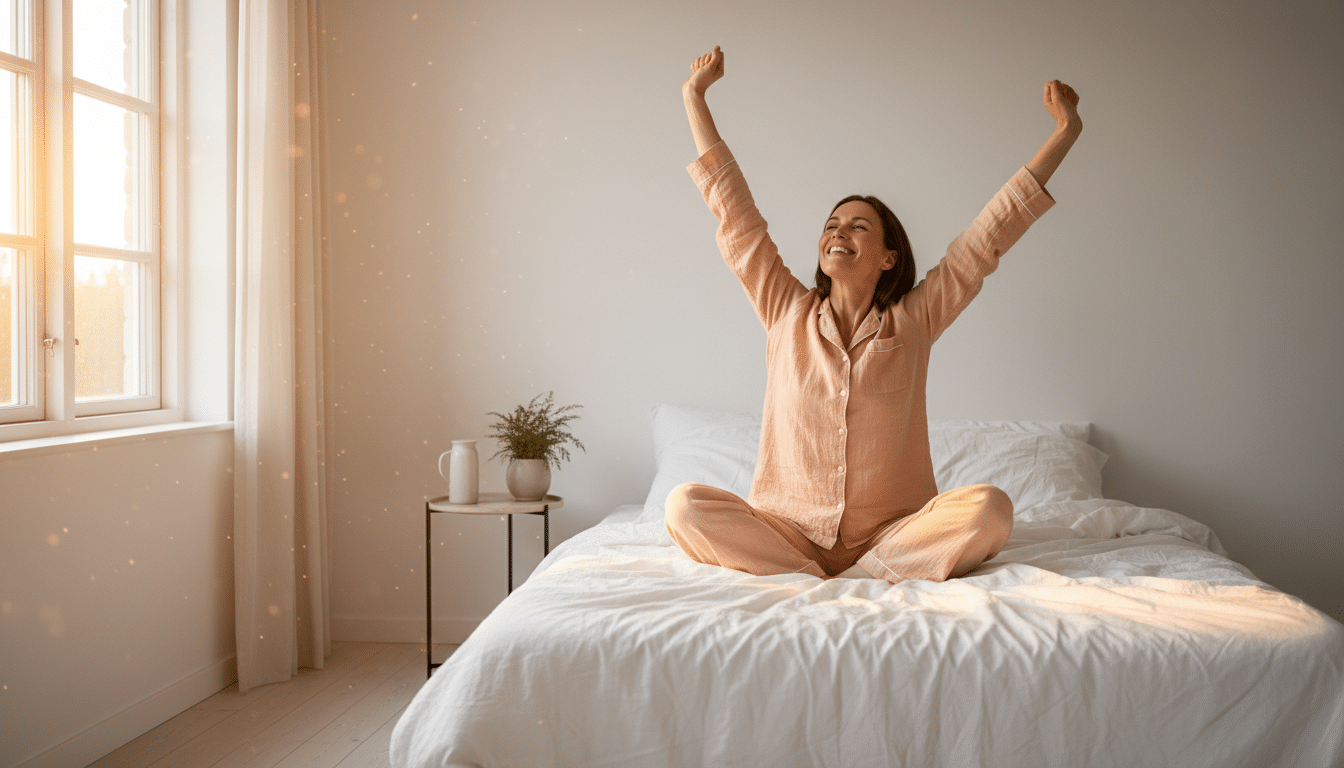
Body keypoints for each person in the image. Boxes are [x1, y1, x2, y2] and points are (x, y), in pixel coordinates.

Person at [666, 45, 1082, 583]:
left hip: (893, 533)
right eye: (832, 224)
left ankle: (864, 574)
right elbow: (737, 219)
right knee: (684, 507)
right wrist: (693, 97)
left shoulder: (915, 319)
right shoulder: (784, 308)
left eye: (858, 226)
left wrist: (1064, 134)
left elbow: (986, 240)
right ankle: (814, 572)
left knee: (990, 509)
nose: (839, 231)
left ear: (888, 256)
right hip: (787, 529)